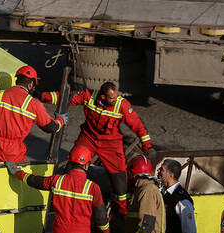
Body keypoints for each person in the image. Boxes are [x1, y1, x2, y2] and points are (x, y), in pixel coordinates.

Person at [42, 82, 155, 215]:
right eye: (112, 98)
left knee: (120, 178)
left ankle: (121, 211)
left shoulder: (121, 104)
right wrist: (41, 95)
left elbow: (138, 126)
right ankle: (62, 199)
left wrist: (147, 146)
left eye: (116, 96)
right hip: (89, 137)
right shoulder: (88, 96)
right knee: (73, 165)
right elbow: (64, 97)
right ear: (102, 97)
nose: (115, 99)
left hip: (111, 143)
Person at [0, 66, 67, 163]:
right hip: (14, 154)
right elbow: (51, 127)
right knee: (19, 177)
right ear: (31, 84)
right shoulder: (34, 104)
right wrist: (60, 120)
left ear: (17, 81)